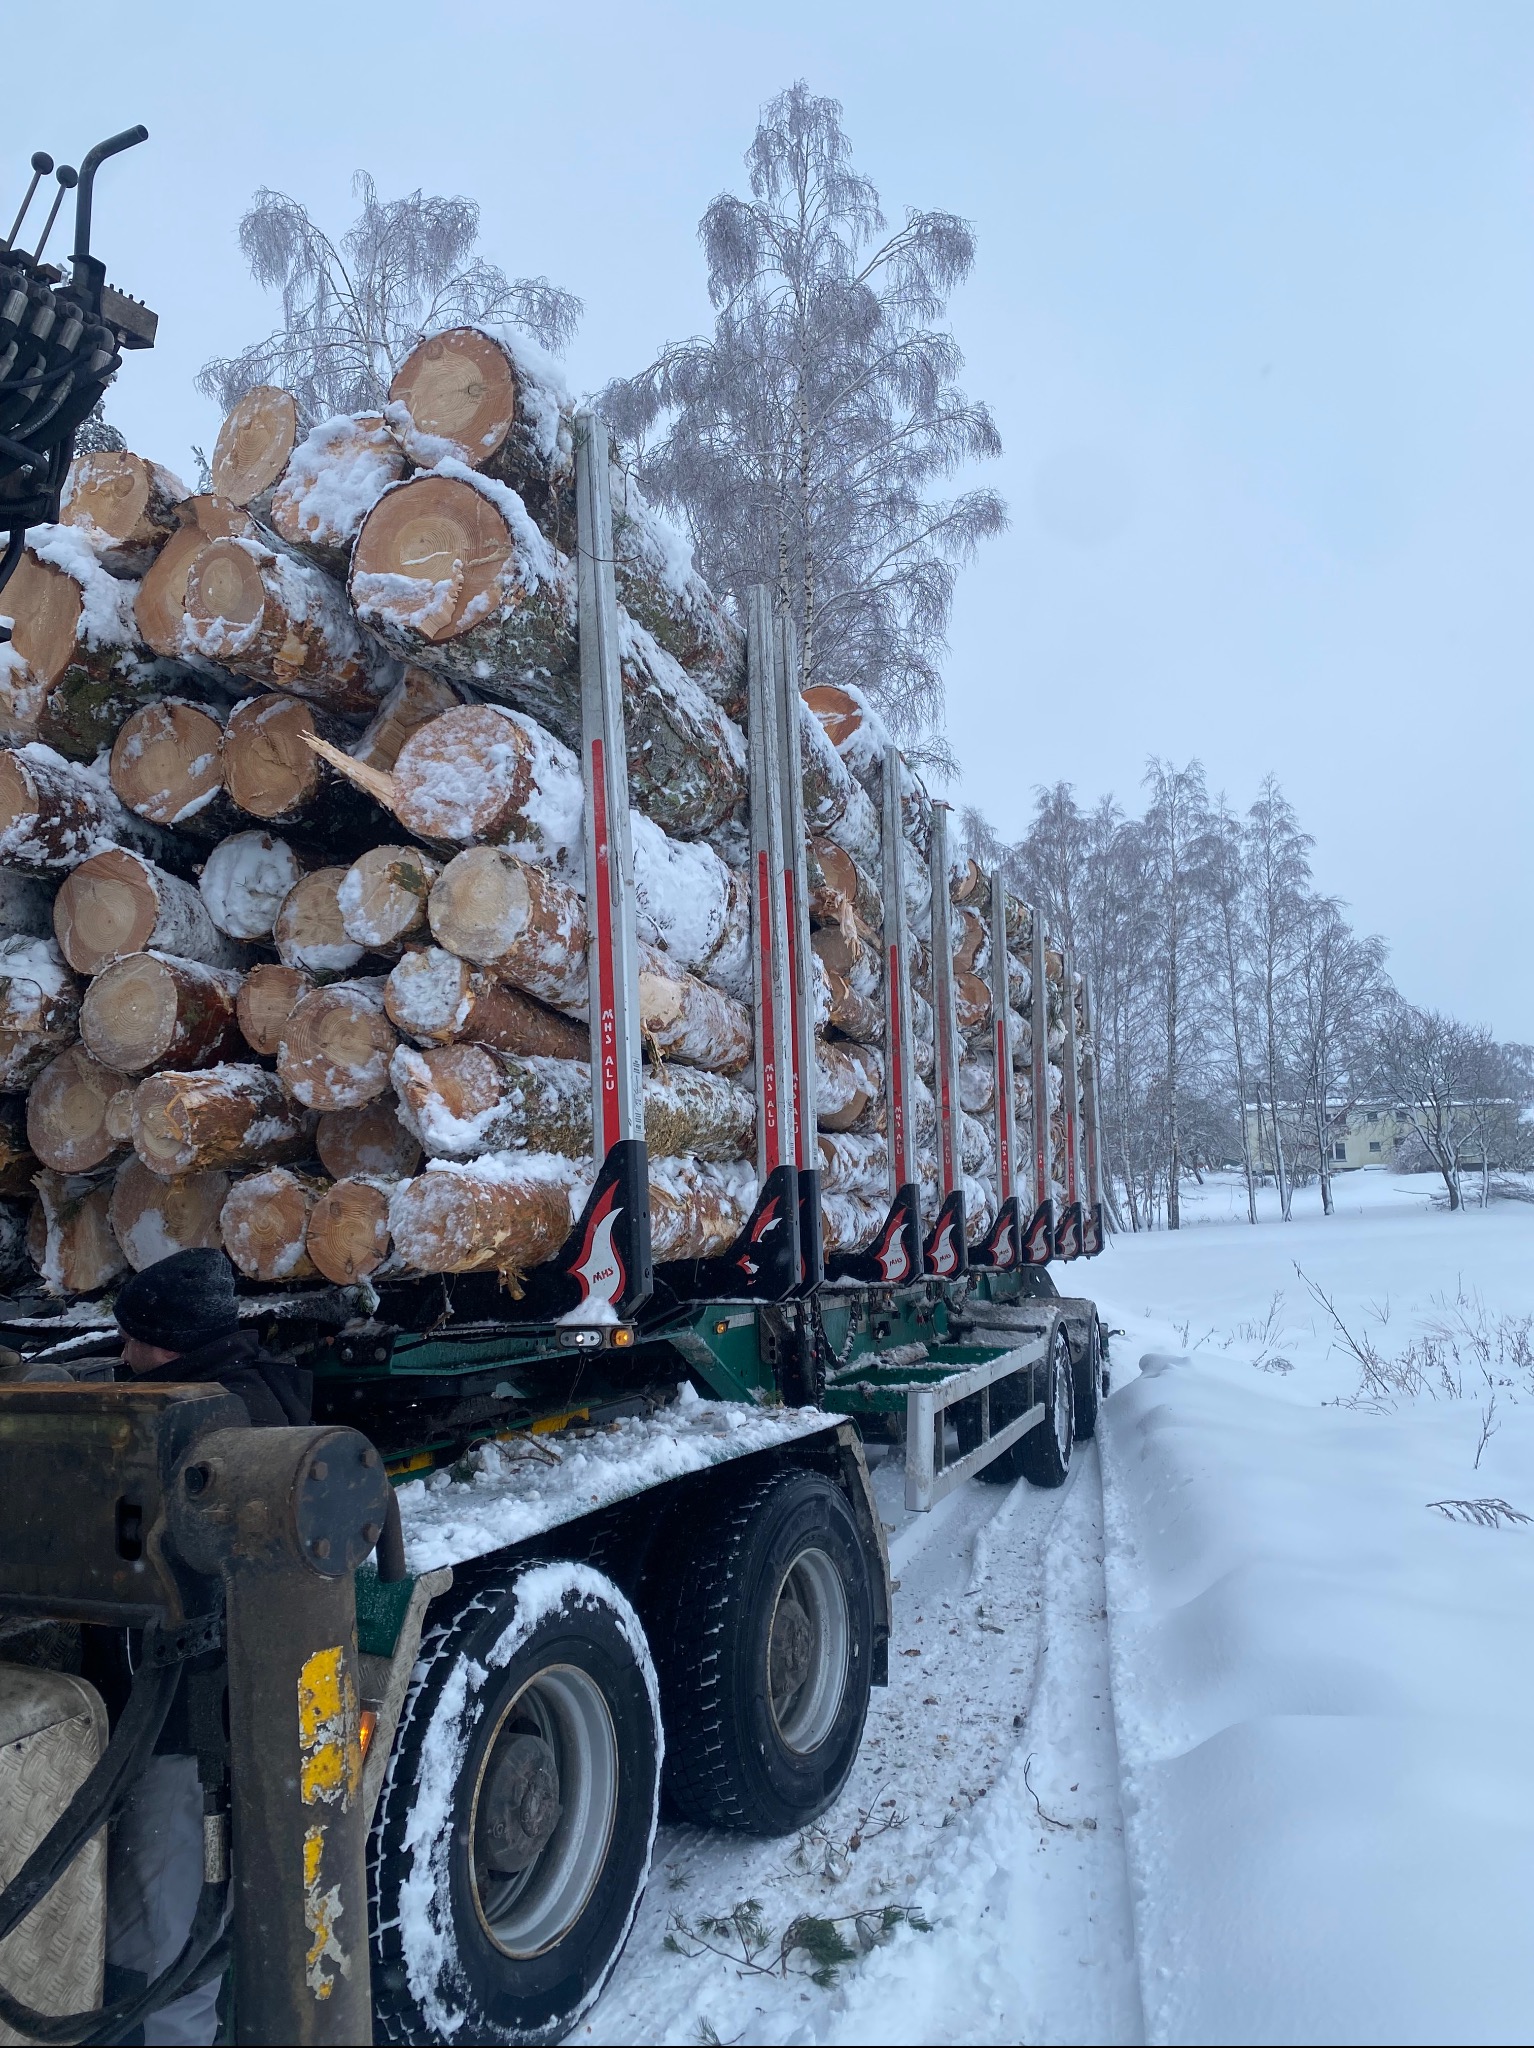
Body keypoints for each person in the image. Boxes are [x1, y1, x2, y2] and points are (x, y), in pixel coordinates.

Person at [106, 1248, 312, 2045]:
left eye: (135, 1341)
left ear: (174, 1341)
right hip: (215, 1711)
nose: (123, 1358)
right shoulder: (252, 1394)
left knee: (163, 1926)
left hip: (188, 1715)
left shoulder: (219, 1430)